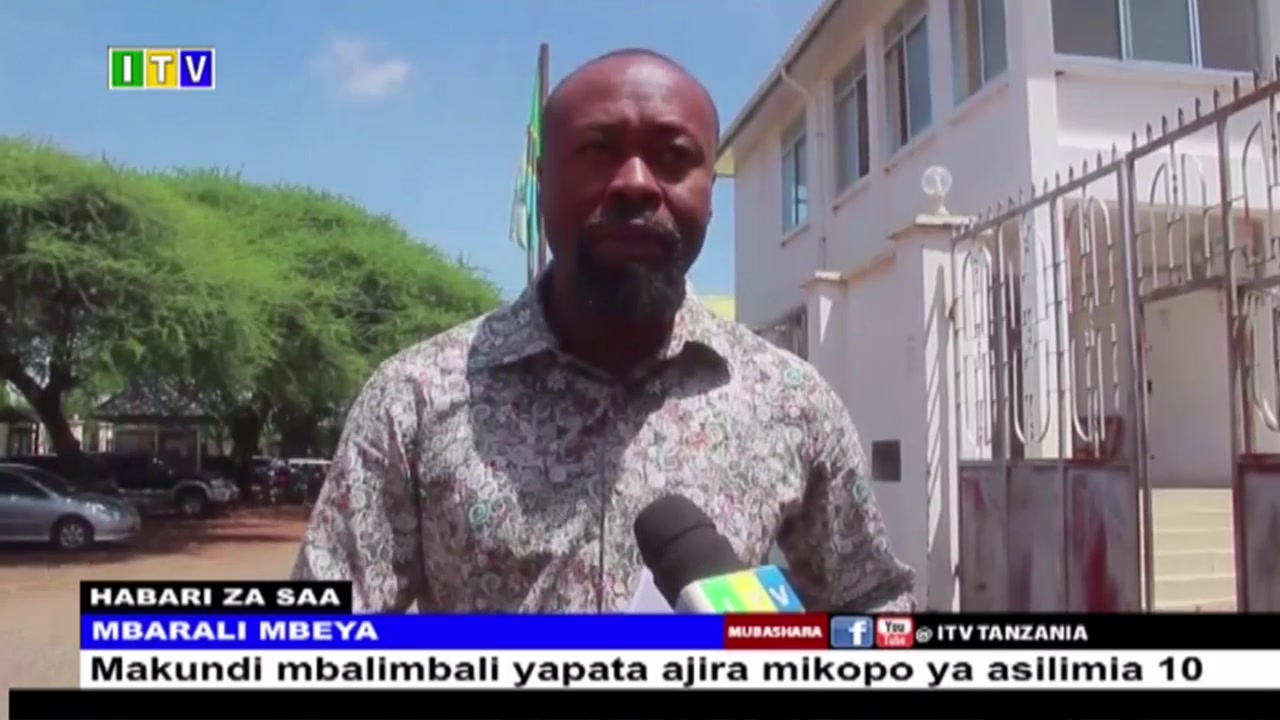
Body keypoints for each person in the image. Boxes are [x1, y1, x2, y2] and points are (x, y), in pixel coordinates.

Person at [292, 48, 916, 613]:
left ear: (710, 193)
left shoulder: (791, 401)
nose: (636, 183)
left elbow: (877, 606)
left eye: (674, 157)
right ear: (542, 184)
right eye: (597, 151)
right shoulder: (415, 400)